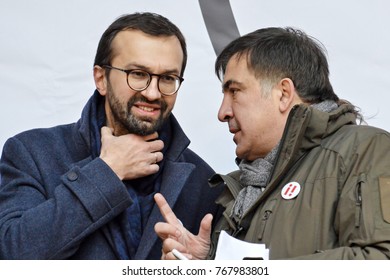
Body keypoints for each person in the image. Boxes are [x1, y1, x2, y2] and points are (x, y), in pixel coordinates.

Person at [0, 12, 223, 260]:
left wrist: (202, 270)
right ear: (101, 78)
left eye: (168, 78)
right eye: (138, 74)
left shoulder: (205, 182)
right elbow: (13, 255)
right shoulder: (31, 153)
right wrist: (107, 170)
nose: (152, 93)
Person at [154, 27, 390, 260]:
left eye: (234, 91)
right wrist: (204, 265)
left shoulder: (367, 150)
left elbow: (381, 260)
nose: (222, 112)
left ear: (284, 94)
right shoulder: (239, 186)